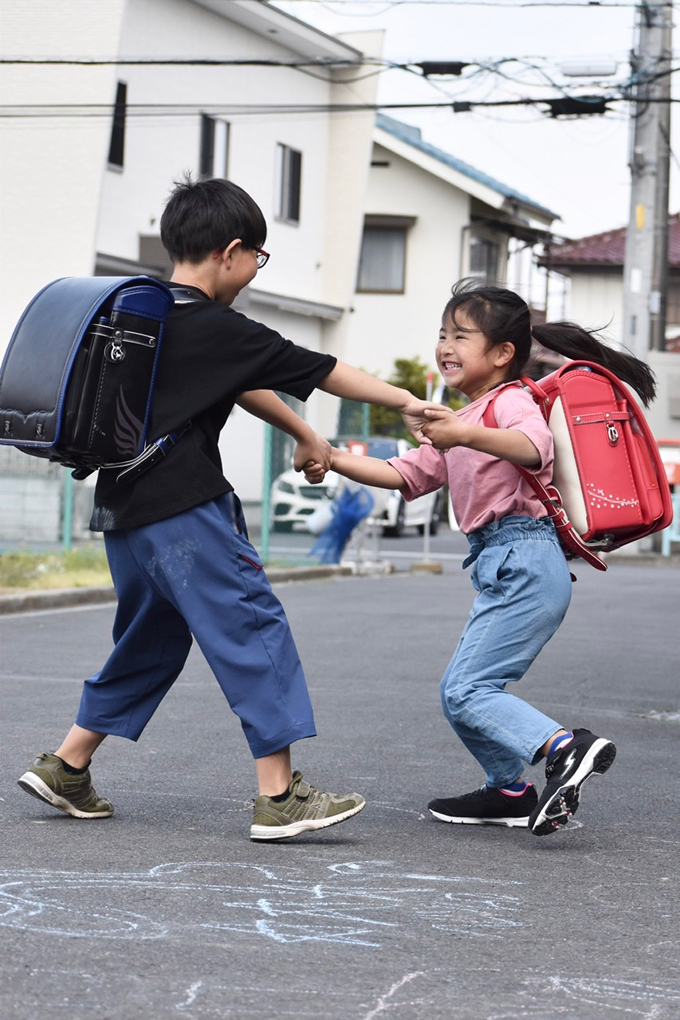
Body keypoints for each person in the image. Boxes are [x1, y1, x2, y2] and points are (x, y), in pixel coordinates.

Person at [17, 175, 439, 842]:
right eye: (257, 259)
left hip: (123, 509)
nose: (253, 272)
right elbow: (318, 366)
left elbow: (241, 384)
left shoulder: (140, 315)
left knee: (150, 641)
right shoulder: (217, 325)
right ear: (232, 251)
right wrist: (406, 402)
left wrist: (304, 434)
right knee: (251, 627)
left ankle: (68, 766)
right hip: (186, 507)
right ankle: (280, 796)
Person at [327, 278, 656, 837]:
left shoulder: (509, 400)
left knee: (468, 689)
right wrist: (330, 456)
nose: (445, 345)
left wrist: (465, 433)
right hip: (505, 564)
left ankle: (563, 748)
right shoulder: (466, 418)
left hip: (524, 557)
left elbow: (535, 447)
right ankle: (508, 790)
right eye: (442, 334)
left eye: (461, 335)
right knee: (462, 691)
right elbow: (404, 473)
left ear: (502, 353)